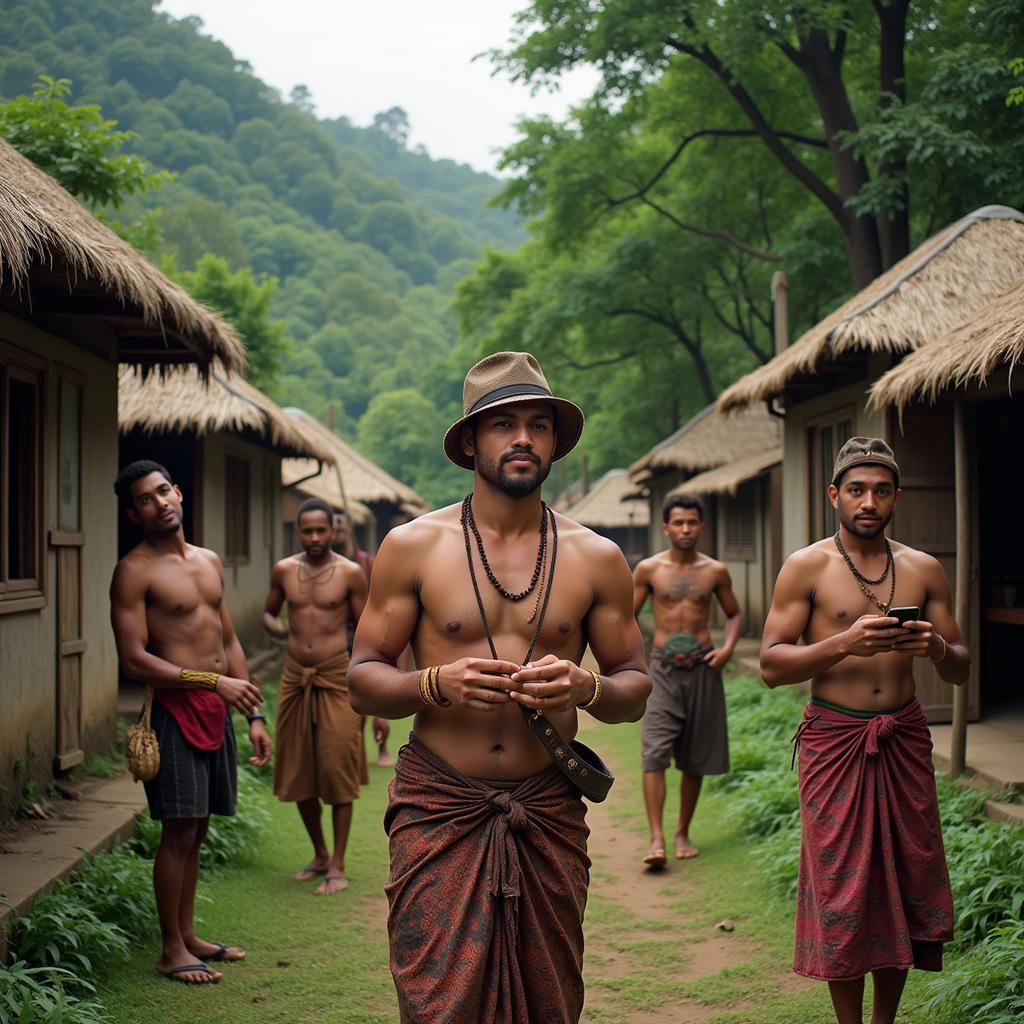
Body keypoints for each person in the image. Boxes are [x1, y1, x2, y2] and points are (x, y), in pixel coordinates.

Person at [349, 351, 650, 1024]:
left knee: (549, 997)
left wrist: (585, 687)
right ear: (470, 442)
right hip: (440, 804)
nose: (522, 438)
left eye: (538, 425)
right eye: (502, 424)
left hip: (547, 805)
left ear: (554, 443)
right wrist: (434, 681)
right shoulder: (414, 547)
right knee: (437, 1001)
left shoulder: (596, 557)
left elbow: (635, 685)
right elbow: (362, 679)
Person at [759, 437, 969, 1024]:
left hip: (903, 736)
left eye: (880, 490)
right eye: (856, 489)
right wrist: (842, 642)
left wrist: (934, 647)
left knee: (903, 879)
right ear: (834, 495)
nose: (868, 501)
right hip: (835, 740)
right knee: (842, 885)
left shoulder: (924, 568)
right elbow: (773, 666)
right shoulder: (807, 566)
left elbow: (961, 665)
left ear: (896, 496)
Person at [109, 460, 271, 985]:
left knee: (197, 829)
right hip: (176, 711)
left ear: (177, 491)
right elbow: (133, 659)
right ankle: (170, 949)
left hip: (218, 710)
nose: (160, 503)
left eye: (163, 491)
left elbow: (228, 640)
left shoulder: (209, 561)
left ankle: (188, 933)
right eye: (145, 500)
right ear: (134, 514)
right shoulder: (134, 571)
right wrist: (211, 682)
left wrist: (254, 712)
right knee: (177, 831)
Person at [263, 497, 374, 894]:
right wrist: (278, 632)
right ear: (298, 531)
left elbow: (368, 630)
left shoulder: (350, 574)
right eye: (306, 530)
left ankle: (339, 864)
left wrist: (374, 695)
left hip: (335, 677)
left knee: (336, 765)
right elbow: (268, 612)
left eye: (320, 530)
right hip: (294, 678)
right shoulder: (283, 570)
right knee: (299, 769)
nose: (313, 537)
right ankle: (319, 853)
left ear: (333, 531)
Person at [632, 494, 742, 867]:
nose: (685, 529)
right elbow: (623, 618)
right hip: (662, 669)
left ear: (701, 526)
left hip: (702, 668)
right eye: (678, 523)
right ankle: (657, 840)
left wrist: (727, 649)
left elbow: (734, 614)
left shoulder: (715, 571)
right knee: (654, 754)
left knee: (695, 758)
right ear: (665, 527)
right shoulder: (649, 569)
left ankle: (682, 832)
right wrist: (635, 661)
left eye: (692, 522)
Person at [332, 508, 391, 766]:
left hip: (367, 636)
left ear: (349, 529)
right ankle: (351, 753)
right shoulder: (329, 566)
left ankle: (382, 747)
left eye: (340, 527)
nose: (335, 532)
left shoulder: (367, 563)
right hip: (337, 644)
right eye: (331, 528)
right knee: (349, 704)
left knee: (374, 694)